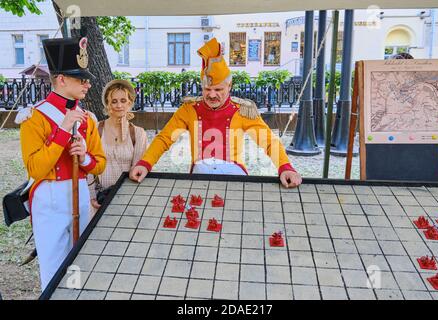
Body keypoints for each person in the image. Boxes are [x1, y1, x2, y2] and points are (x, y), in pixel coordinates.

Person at [129, 38, 301, 188]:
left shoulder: (242, 109)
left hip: (234, 174)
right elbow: (164, 138)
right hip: (199, 174)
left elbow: (268, 141)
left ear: (230, 86)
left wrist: (285, 167)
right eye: (207, 89)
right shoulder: (189, 109)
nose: (212, 94)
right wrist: (145, 163)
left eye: (218, 89)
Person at [16, 37, 106, 291]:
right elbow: (36, 169)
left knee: (80, 265)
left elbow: (99, 164)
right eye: (81, 79)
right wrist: (63, 131)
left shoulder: (88, 118)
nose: (87, 84)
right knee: (53, 268)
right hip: (50, 198)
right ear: (62, 79)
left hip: (79, 196)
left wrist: (85, 157)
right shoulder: (34, 117)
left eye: (86, 79)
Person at [89, 79, 148, 212]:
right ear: (107, 104)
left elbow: (138, 169)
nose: (118, 105)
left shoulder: (138, 133)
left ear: (130, 103)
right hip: (100, 199)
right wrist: (92, 196)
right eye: (114, 101)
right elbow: (88, 167)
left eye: (123, 101)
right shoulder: (96, 129)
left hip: (126, 199)